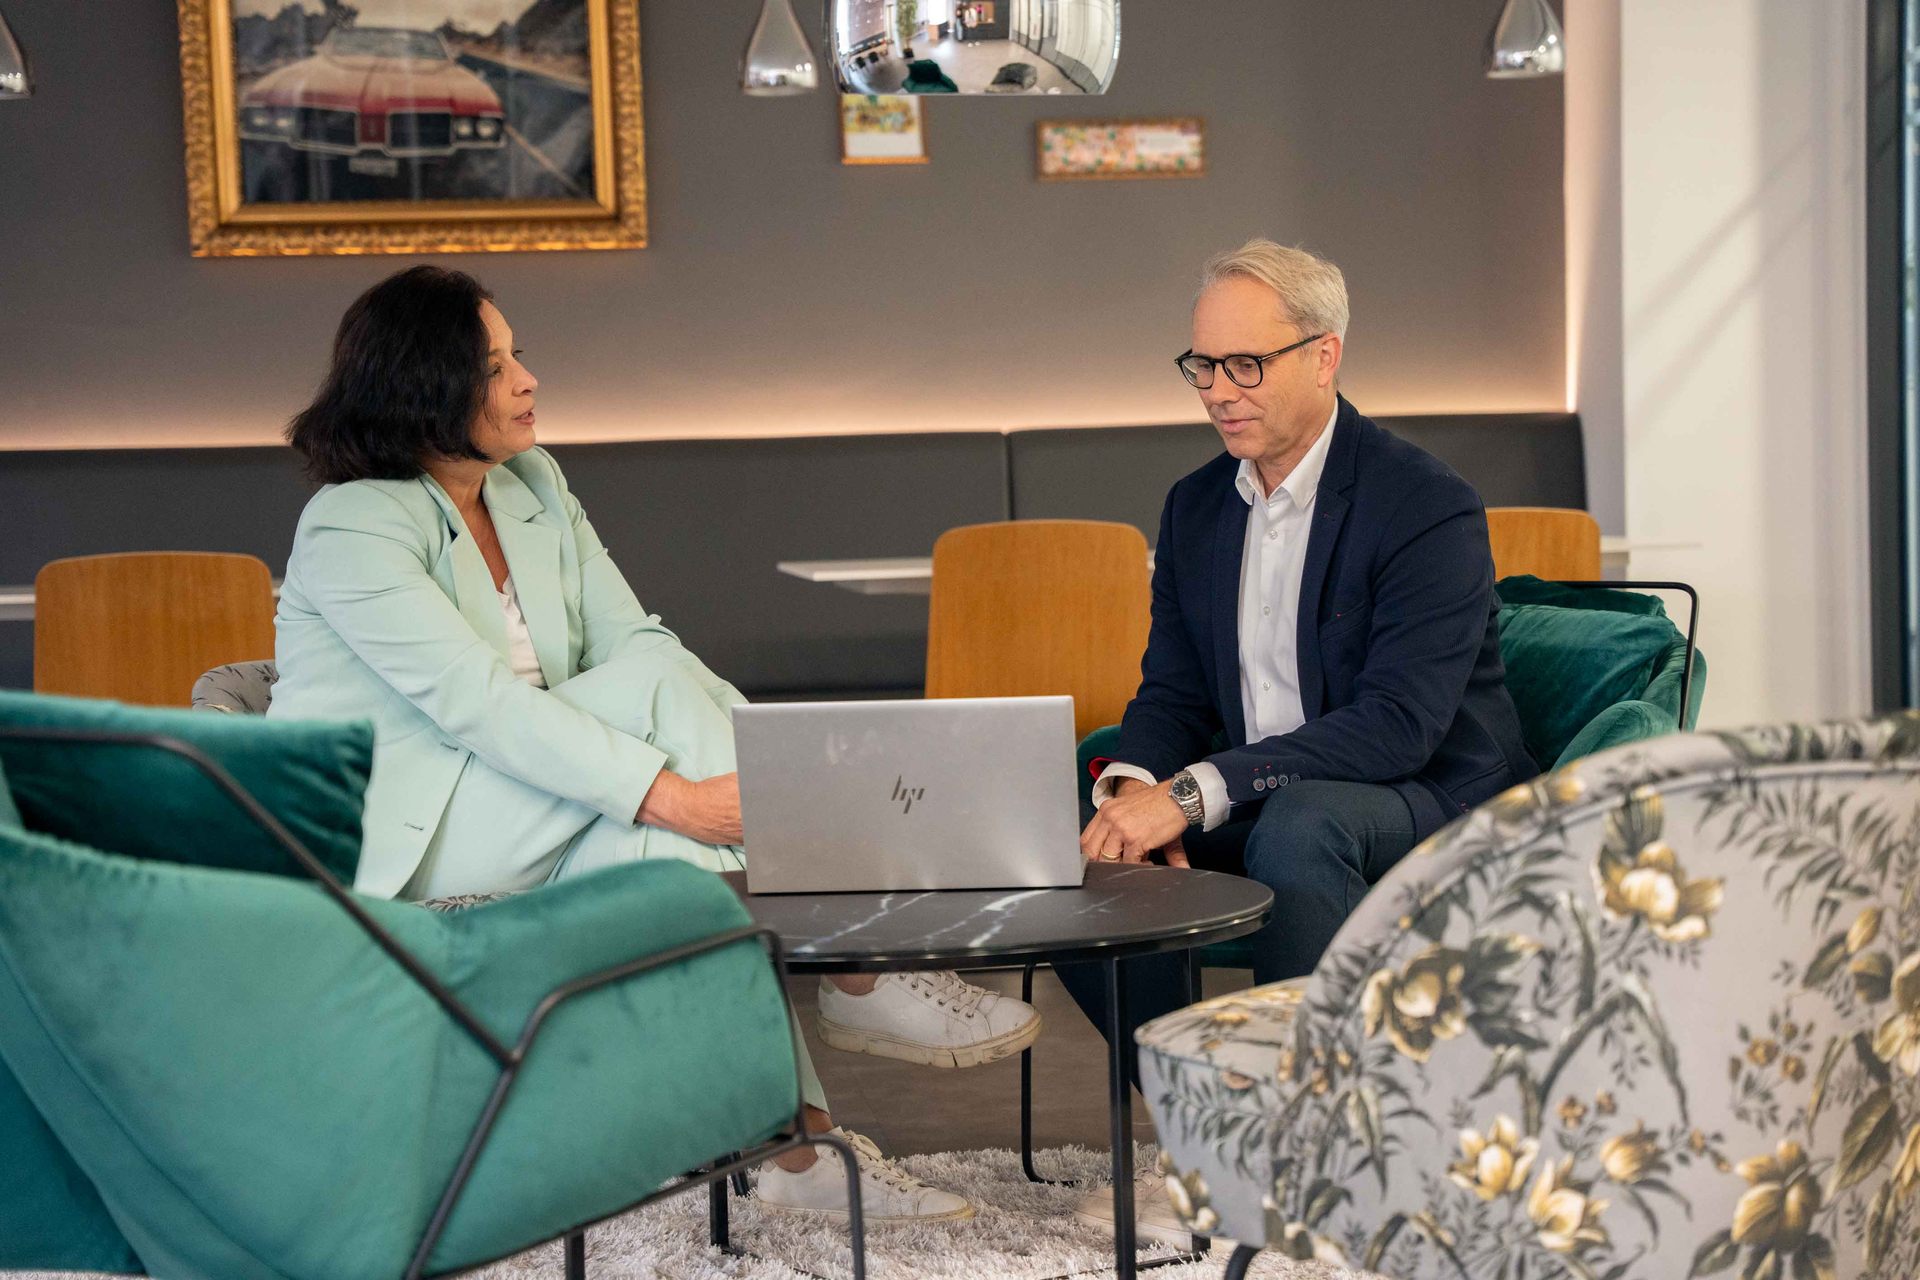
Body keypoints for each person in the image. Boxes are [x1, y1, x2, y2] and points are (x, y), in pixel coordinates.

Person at [268, 265, 1041, 1224]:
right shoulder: (349, 523)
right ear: (422, 387)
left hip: (550, 799)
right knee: (658, 730)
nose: (527, 381)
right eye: (495, 365)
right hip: (411, 832)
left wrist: (686, 804)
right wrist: (680, 792)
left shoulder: (532, 484)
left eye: (519, 356)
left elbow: (633, 636)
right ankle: (860, 965)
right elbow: (479, 709)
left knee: (667, 843)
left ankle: (794, 1156)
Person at [1061, 239, 1538, 1242]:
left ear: (1326, 356)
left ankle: (1326, 1140)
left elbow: (1398, 724)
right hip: (1265, 787)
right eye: (1202, 365)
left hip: (1421, 791)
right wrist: (1137, 786)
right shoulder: (1196, 506)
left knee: (1299, 831)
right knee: (1087, 828)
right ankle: (1199, 1132)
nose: (1219, 391)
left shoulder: (1424, 502)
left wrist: (1191, 795)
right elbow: (1174, 692)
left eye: (1248, 364)